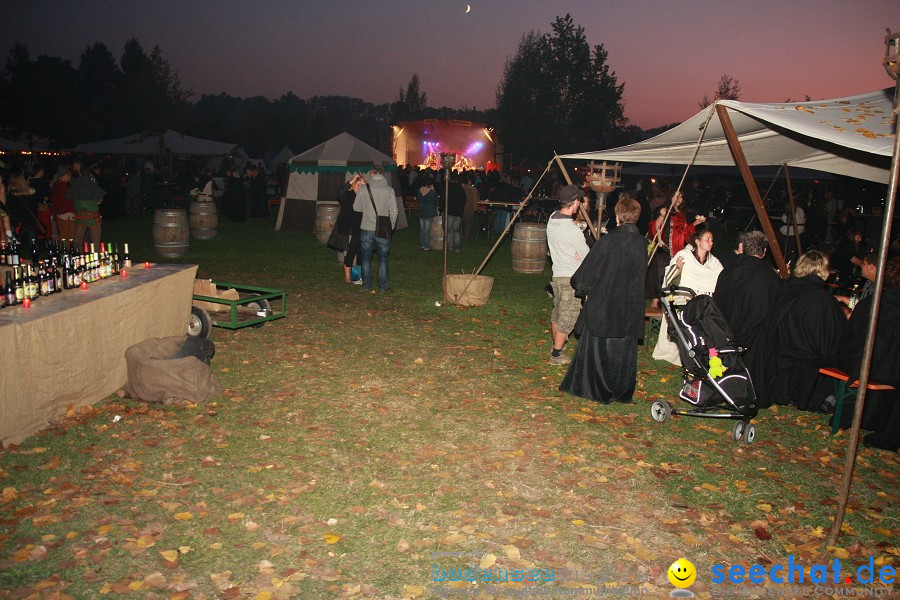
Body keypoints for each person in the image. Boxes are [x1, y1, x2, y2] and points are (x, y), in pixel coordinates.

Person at [560, 196, 646, 403]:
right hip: (628, 309)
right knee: (621, 351)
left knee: (600, 350)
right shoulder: (642, 244)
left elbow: (586, 273)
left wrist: (582, 286)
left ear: (618, 216)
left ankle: (595, 389)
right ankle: (619, 390)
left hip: (605, 305)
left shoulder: (609, 241)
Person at [761, 250, 845, 410]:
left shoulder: (785, 290)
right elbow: (836, 338)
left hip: (781, 353)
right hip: (808, 357)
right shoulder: (824, 300)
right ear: (824, 271)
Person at [834, 257, 900, 451]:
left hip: (864, 364)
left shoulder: (875, 302)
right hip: (889, 368)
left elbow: (850, 336)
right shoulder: (877, 302)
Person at [713, 231, 783, 390]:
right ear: (764, 252)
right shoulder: (770, 278)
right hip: (753, 341)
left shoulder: (727, 271)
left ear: (742, 247)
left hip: (724, 335)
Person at [652, 228, 723, 366]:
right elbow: (669, 280)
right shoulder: (684, 255)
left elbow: (721, 278)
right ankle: (690, 351)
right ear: (697, 241)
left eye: (712, 240)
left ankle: (710, 354)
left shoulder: (713, 262)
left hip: (704, 299)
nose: (710, 242)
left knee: (711, 318)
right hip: (682, 296)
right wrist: (677, 269)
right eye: (707, 239)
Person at [546, 184, 591, 365]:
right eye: (579, 200)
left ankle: (556, 346)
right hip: (570, 278)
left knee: (558, 312)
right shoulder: (573, 231)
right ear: (574, 202)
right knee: (568, 316)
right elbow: (587, 256)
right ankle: (556, 355)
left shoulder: (551, 219)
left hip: (557, 274)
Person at [646, 191, 706, 307]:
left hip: (677, 248)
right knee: (662, 274)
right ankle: (655, 303)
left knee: (674, 274)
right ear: (671, 197)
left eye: (681, 197)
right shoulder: (663, 210)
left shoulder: (682, 214)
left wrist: (695, 223)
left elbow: (685, 233)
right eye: (677, 196)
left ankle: (670, 301)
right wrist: (662, 216)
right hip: (664, 247)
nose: (679, 199)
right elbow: (654, 229)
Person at [353, 166, 398, 293]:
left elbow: (356, 208)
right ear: (382, 175)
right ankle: (382, 287)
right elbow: (394, 211)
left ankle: (366, 286)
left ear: (372, 174)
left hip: (367, 227)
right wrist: (392, 226)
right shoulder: (389, 190)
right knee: (383, 258)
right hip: (384, 229)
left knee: (366, 258)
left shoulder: (363, 189)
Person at [337, 173, 364, 283]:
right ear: (353, 185)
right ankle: (347, 276)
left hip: (362, 229)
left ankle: (358, 276)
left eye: (362, 186)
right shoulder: (347, 195)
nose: (360, 188)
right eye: (358, 185)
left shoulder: (365, 197)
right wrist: (351, 181)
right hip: (349, 229)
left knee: (361, 253)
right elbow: (340, 192)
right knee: (349, 253)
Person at [50, 166, 75, 242]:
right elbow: (67, 202)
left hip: (59, 213)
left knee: (62, 234)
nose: (70, 177)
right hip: (67, 213)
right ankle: (68, 250)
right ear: (63, 175)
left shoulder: (56, 186)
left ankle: (63, 249)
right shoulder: (63, 187)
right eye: (68, 175)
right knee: (69, 235)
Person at [416, 179, 438, 250]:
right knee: (427, 230)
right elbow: (435, 201)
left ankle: (422, 244)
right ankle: (426, 246)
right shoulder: (432, 192)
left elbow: (418, 200)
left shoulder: (420, 191)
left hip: (422, 211)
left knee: (422, 229)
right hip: (429, 211)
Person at [446, 176, 466, 252]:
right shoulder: (461, 190)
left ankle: (449, 247)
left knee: (448, 231)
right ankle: (457, 248)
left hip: (450, 212)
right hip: (458, 213)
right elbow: (464, 201)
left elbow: (445, 199)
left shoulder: (449, 189)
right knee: (456, 231)